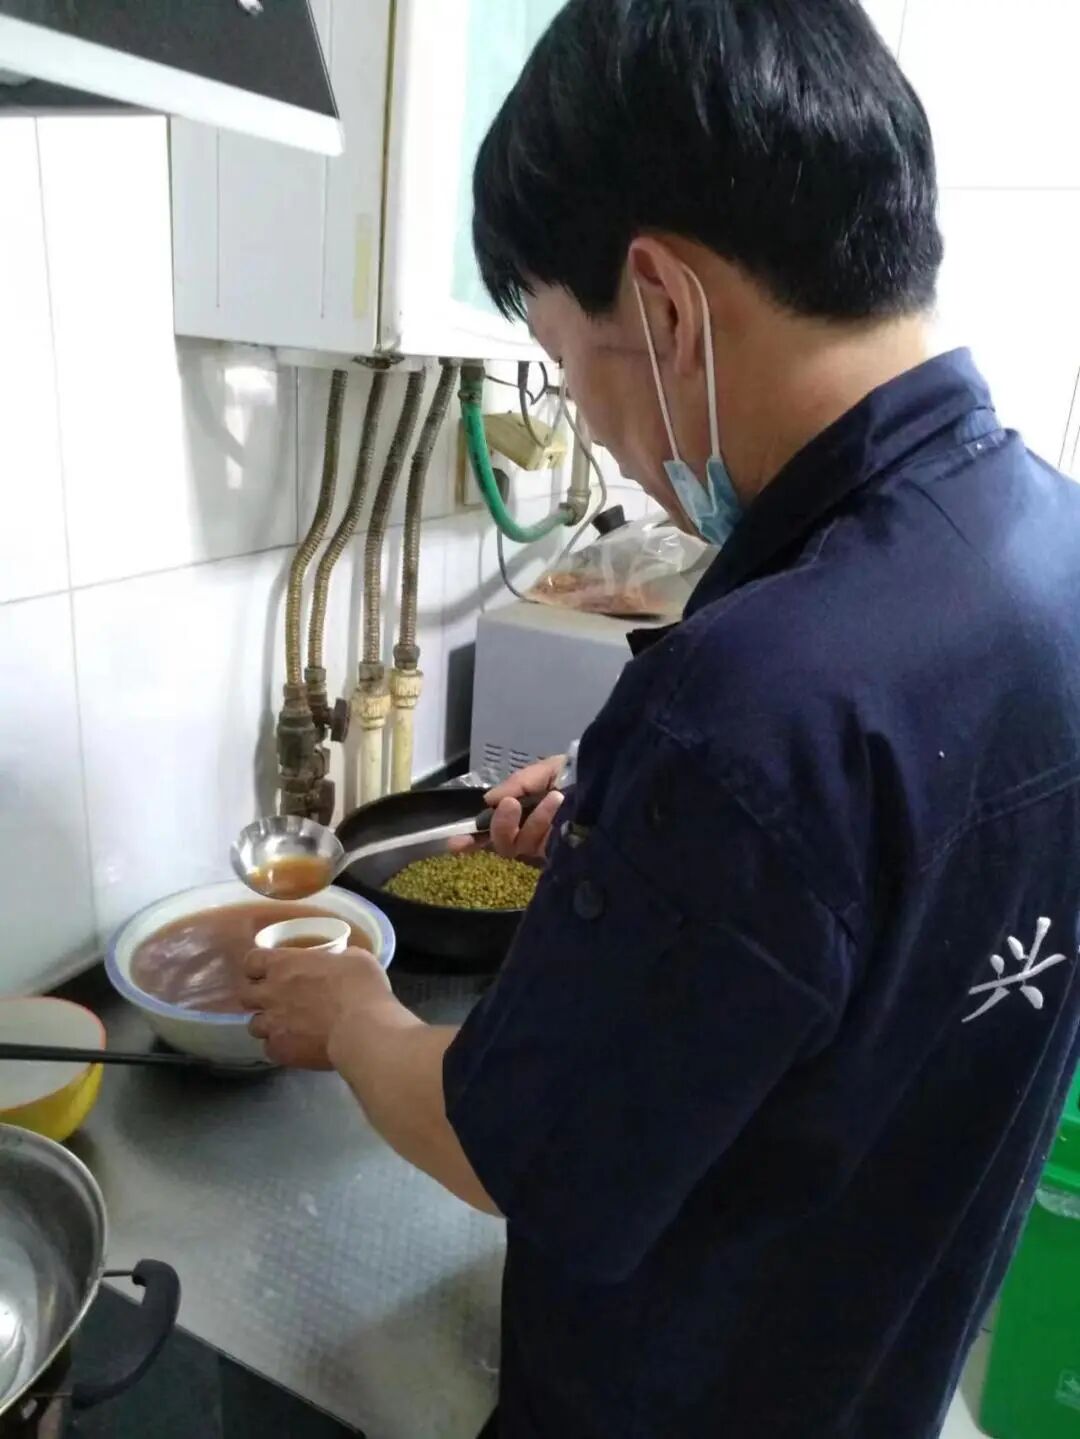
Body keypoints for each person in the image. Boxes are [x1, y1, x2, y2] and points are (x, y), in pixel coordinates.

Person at [239, 1, 1080, 1435]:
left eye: (567, 361)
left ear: (666, 305)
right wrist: (634, 803)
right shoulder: (1047, 543)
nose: (596, 431)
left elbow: (514, 1148)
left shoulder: (752, 706)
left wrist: (356, 1017)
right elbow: (889, 876)